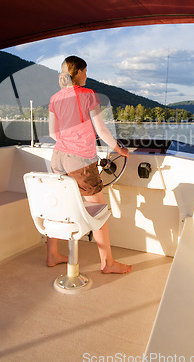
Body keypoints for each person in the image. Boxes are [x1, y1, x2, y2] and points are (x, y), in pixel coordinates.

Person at [48, 55, 132, 274]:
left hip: (57, 157)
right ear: (77, 72)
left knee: (58, 205)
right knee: (99, 212)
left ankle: (52, 254)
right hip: (81, 162)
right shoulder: (88, 95)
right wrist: (120, 150)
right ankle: (108, 263)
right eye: (85, 71)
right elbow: (102, 131)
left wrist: (67, 142)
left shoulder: (55, 97)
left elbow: (52, 133)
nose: (87, 75)